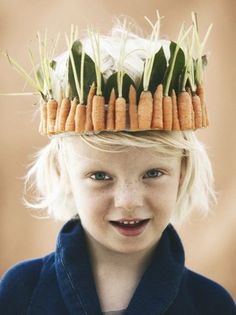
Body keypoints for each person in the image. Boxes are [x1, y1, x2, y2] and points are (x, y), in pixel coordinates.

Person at [0, 13, 235, 315]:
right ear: (62, 172)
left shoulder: (211, 304)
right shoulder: (21, 291)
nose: (128, 201)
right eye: (100, 176)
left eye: (153, 173)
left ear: (183, 170)